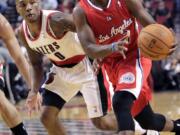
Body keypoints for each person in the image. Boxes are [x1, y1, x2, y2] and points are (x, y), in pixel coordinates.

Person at [73, 0, 180, 135]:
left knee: (120, 102)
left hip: (135, 56)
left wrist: (165, 38)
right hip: (111, 65)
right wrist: (111, 48)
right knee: (146, 120)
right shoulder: (80, 11)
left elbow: (150, 25)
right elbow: (89, 48)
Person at [15, 0, 118, 134]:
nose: (28, 8)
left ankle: (139, 128)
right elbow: (36, 63)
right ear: (17, 9)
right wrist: (34, 91)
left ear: (39, 3)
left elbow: (90, 26)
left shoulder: (56, 20)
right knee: (47, 117)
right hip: (60, 70)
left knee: (101, 122)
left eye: (32, 2)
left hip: (86, 66)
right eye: (23, 4)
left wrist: (98, 51)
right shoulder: (22, 32)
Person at [0, 13, 30, 135]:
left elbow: (19, 57)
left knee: (0, 101)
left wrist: (33, 88)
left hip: (5, 62)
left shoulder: (2, 23)